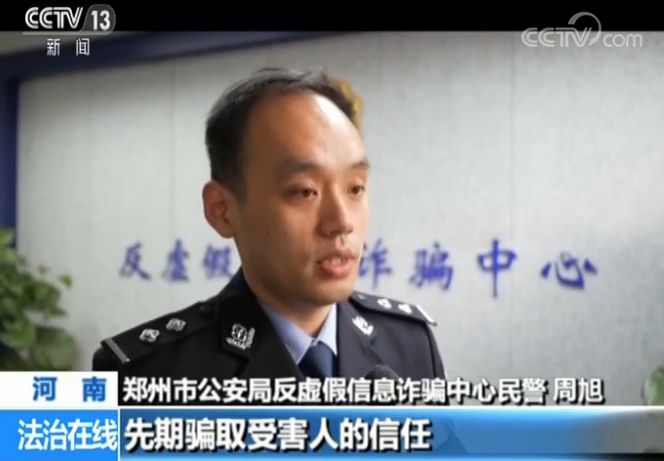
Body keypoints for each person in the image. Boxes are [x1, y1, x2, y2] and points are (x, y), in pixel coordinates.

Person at [93, 67, 446, 390]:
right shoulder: (143, 375)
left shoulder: (411, 345)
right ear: (222, 210)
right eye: (305, 191)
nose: (342, 223)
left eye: (355, 188)